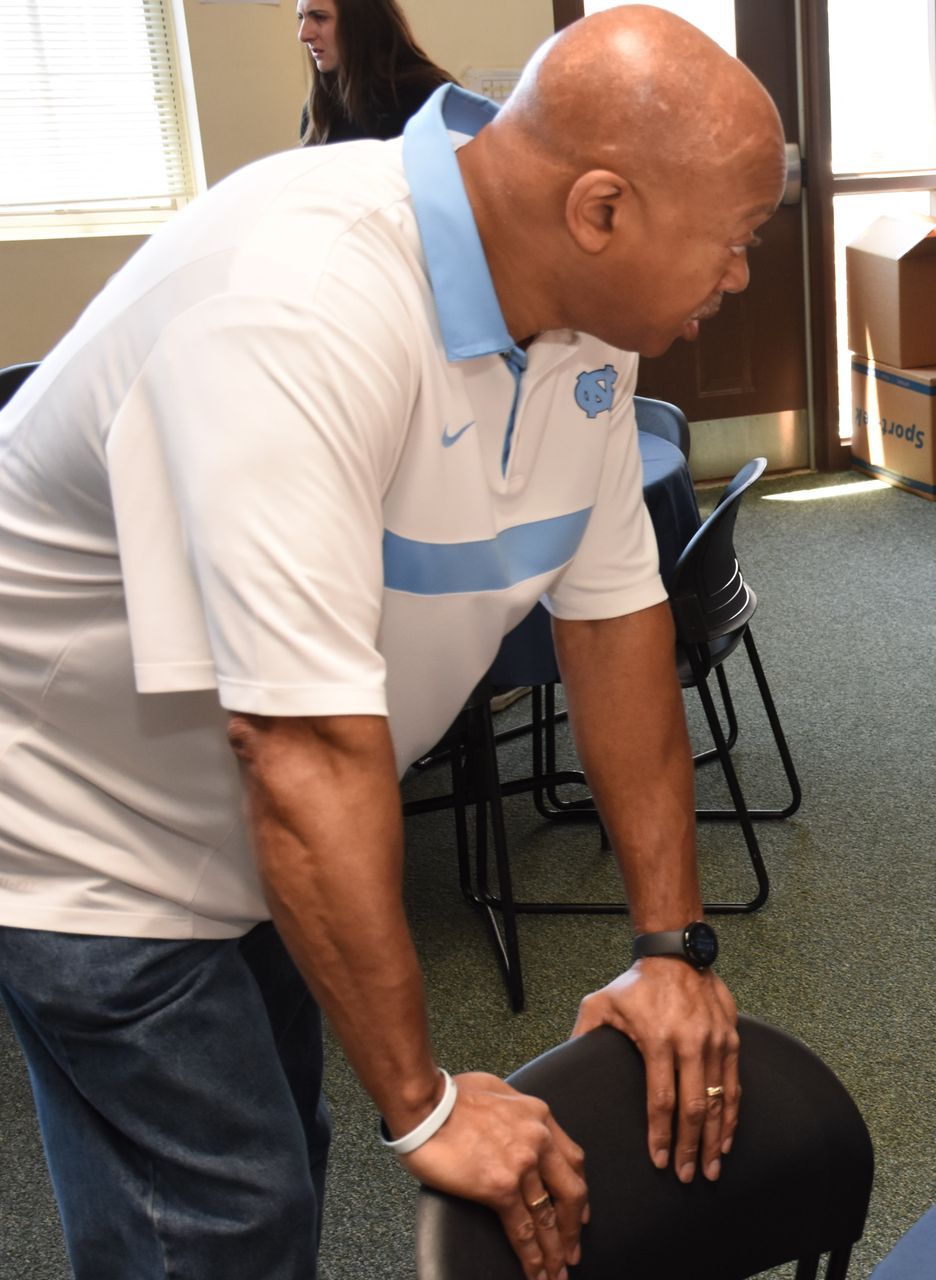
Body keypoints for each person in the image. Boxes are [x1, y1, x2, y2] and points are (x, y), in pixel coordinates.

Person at [0, 8, 786, 1280]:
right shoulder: (299, 303)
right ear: (601, 208)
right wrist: (424, 1102)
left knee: (274, 1161)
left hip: (250, 814)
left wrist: (669, 947)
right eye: (735, 243)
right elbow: (297, 747)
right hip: (84, 821)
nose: (741, 276)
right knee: (216, 1220)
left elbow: (617, 620)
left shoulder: (579, 317)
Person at [296, 0, 454, 144]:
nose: (303, 35)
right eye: (301, 17)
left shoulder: (428, 95)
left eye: (319, 17)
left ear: (362, 21)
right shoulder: (317, 110)